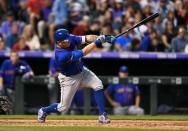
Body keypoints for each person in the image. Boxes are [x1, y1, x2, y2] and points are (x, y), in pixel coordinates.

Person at [38, 28, 115, 124]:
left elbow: (87, 38)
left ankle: (103, 115)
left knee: (98, 84)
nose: (68, 41)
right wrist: (97, 42)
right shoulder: (61, 55)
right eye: (66, 41)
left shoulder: (69, 38)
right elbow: (83, 52)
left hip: (82, 71)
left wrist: (102, 38)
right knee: (63, 107)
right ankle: (44, 111)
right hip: (69, 79)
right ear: (59, 42)